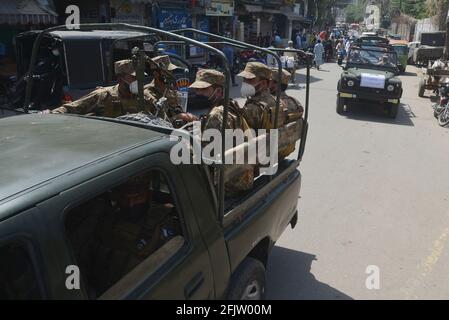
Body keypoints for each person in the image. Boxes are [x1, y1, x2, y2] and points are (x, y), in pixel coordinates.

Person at [189, 69, 254, 198]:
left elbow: (205, 156)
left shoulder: (216, 115)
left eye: (203, 90)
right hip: (241, 176)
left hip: (227, 185)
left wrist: (188, 145)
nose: (198, 93)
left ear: (218, 91)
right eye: (197, 89)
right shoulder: (231, 105)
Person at [51, 59, 158, 117]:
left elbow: (162, 120)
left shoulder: (145, 98)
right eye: (134, 77)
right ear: (120, 79)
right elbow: (70, 109)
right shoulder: (103, 95)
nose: (138, 81)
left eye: (140, 77)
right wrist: (48, 116)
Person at [144, 55, 197, 125]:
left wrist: (187, 116)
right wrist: (178, 117)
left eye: (171, 71)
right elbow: (152, 123)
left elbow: (178, 111)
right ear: (156, 74)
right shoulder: (148, 94)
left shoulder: (171, 90)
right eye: (167, 71)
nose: (170, 74)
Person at [269, 68, 304, 158]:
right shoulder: (296, 102)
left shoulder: (271, 104)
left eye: (269, 81)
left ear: (276, 84)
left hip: (270, 152)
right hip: (287, 148)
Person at [238, 61, 277, 130]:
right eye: (244, 79)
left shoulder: (252, 107)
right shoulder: (273, 99)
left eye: (250, 80)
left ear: (263, 83)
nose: (245, 83)